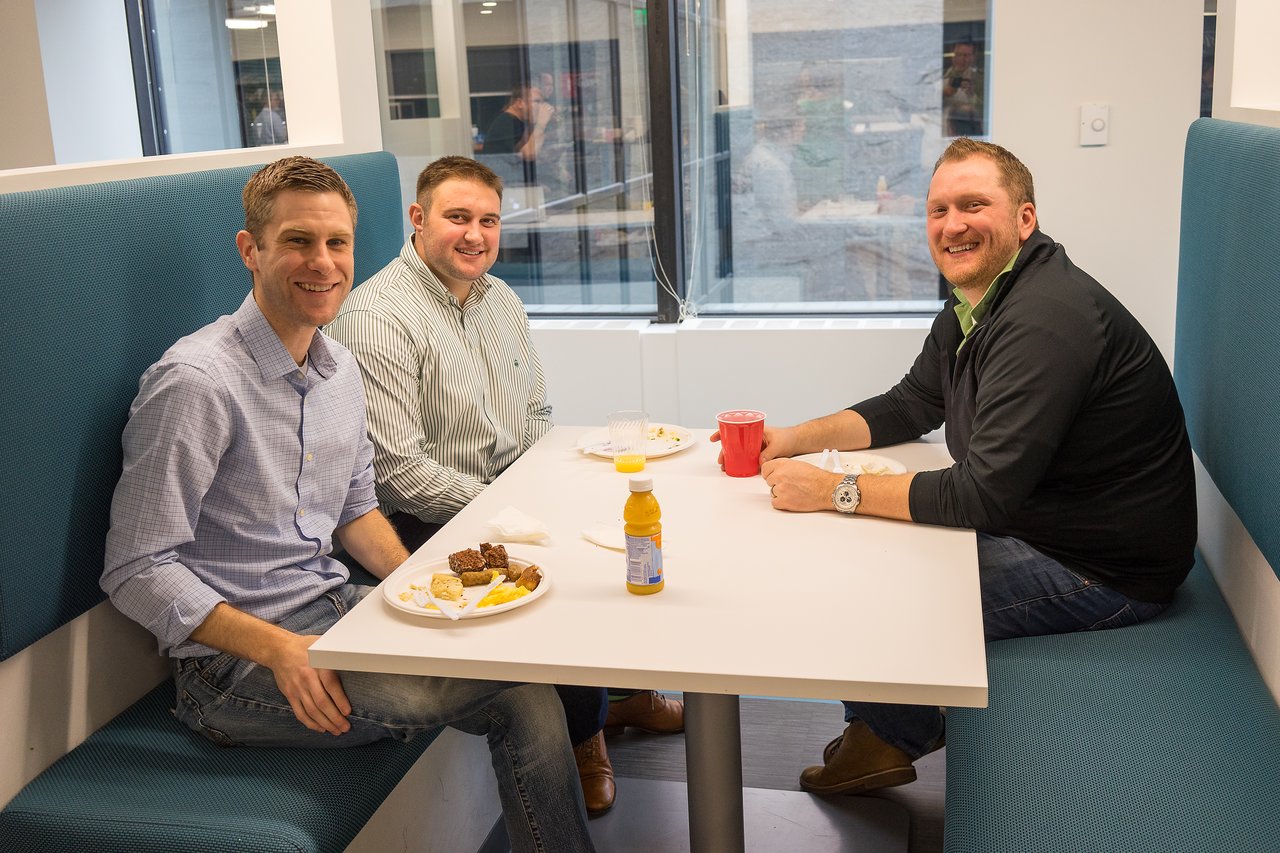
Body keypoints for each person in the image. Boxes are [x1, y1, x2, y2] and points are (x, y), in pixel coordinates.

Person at [101, 156, 594, 853]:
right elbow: (135, 566)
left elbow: (357, 511)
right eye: (299, 240)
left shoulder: (337, 369)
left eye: (337, 243)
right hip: (236, 666)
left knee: (529, 649)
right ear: (252, 250)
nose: (323, 262)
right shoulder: (196, 382)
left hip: (337, 611)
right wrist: (281, 648)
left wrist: (428, 594)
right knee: (519, 692)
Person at [716, 138, 1197, 796]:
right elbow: (912, 402)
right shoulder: (981, 299)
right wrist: (794, 438)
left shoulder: (1045, 321)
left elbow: (980, 497)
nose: (952, 224)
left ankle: (888, 734)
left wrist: (834, 490)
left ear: (1024, 218)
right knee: (872, 550)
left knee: (878, 586)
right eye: (938, 209)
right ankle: (884, 731)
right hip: (1045, 523)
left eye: (974, 204)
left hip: (1106, 569)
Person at [326, 155, 683, 815]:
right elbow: (397, 470)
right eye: (457, 217)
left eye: (488, 220)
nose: (475, 234)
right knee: (560, 564)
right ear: (417, 219)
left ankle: (614, 690)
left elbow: (535, 417)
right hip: (415, 521)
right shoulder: (377, 316)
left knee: (622, 517)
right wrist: (518, 512)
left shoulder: (500, 299)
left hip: (500, 495)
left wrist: (554, 488)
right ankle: (587, 734)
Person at [482, 82, 555, 187]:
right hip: (506, 185)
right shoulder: (507, 122)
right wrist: (541, 124)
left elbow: (522, 150)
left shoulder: (519, 122)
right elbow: (529, 154)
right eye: (537, 101)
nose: (541, 107)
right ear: (520, 103)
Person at [942, 41, 983, 136]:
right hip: (944, 129)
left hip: (972, 131)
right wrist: (944, 93)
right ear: (953, 55)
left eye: (966, 55)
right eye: (959, 54)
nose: (962, 59)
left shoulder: (981, 80)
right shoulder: (940, 76)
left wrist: (972, 95)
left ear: (973, 57)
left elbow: (987, 110)